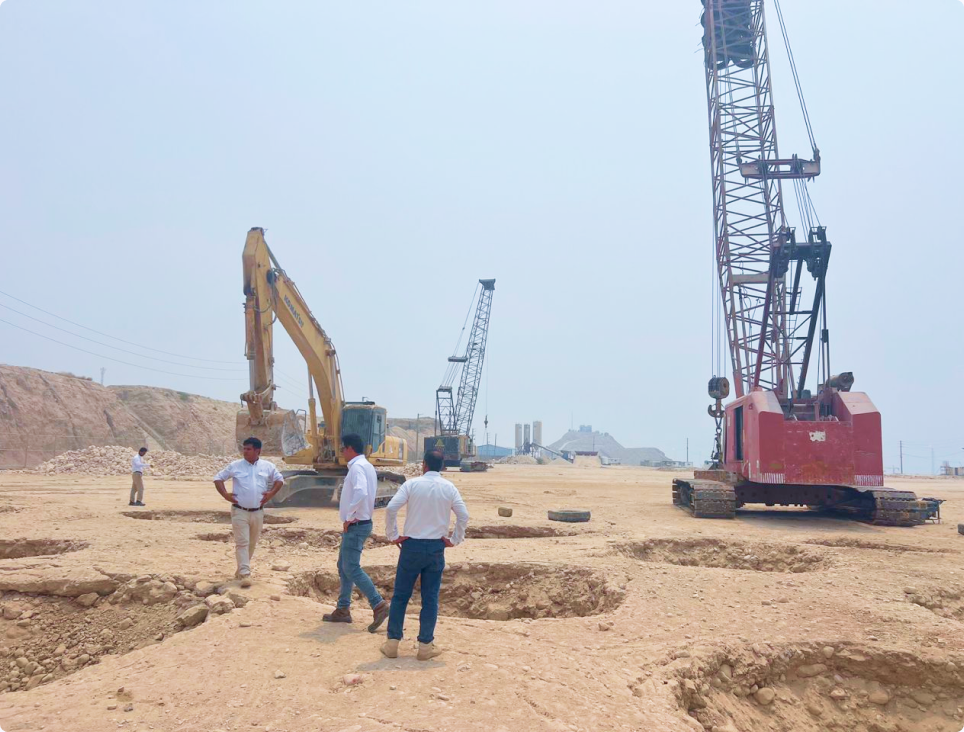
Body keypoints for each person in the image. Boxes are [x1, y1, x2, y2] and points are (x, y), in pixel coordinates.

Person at [381, 449, 469, 661]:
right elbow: (463, 516)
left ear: (424, 464)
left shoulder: (411, 484)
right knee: (430, 598)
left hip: (411, 546)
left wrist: (393, 535)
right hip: (436, 547)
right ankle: (425, 647)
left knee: (401, 596)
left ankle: (392, 644)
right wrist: (454, 539)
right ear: (442, 466)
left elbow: (391, 508)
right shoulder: (449, 487)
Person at [322, 433, 390, 632]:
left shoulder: (358, 467)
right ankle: (343, 609)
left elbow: (361, 492)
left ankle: (378, 604)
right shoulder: (366, 466)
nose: (342, 452)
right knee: (343, 566)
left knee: (351, 568)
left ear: (350, 448)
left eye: (343, 448)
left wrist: (350, 516)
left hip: (356, 524)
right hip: (359, 523)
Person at [213, 437, 284, 588]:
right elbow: (218, 478)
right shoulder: (235, 466)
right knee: (242, 542)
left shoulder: (267, 466)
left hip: (258, 512)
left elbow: (280, 480)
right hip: (240, 511)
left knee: (251, 543)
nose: (245, 452)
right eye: (244, 449)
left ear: (258, 451)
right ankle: (245, 574)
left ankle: (240, 570)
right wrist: (225, 495)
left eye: (248, 449)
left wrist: (271, 493)